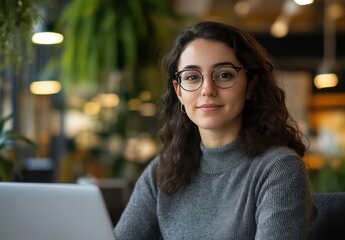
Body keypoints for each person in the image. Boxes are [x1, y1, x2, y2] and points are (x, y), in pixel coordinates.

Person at [114, 21, 317, 239]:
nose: (207, 90)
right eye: (192, 77)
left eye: (224, 75)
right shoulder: (162, 171)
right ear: (179, 91)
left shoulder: (279, 168)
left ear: (249, 86)